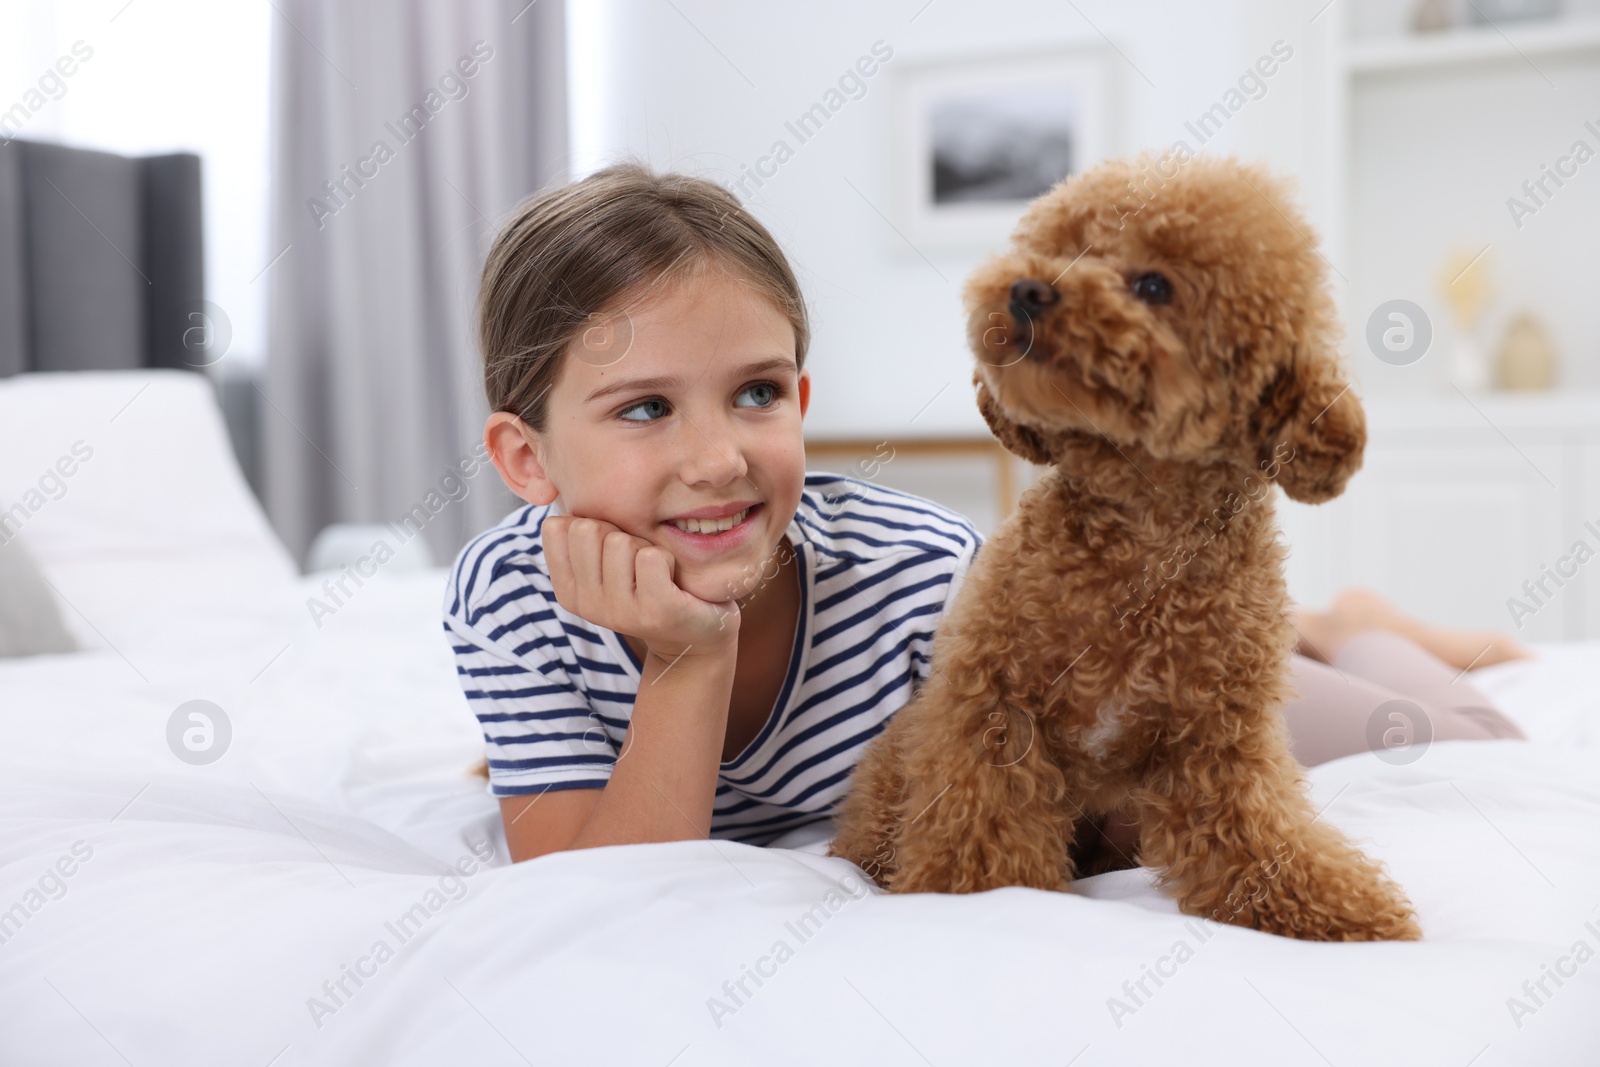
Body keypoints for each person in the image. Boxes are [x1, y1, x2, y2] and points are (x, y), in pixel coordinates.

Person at [445, 160, 1531, 866]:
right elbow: (595, 892)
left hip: (1125, 637)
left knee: (1473, 738)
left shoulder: (920, 574)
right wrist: (685, 662)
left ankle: (1352, 622)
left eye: (757, 392)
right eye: (644, 407)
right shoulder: (508, 599)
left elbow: (1092, 756)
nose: (718, 456)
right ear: (526, 458)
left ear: (800, 400)